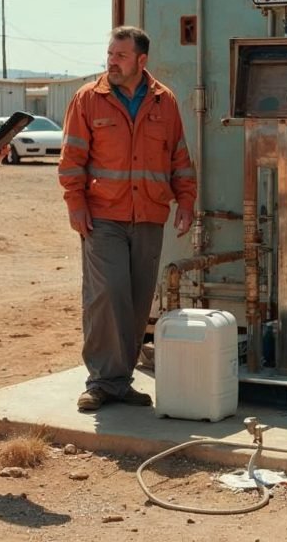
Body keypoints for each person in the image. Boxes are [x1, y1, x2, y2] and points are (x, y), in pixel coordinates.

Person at [59, 26, 196, 412]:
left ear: (141, 60)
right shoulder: (88, 99)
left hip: (149, 214)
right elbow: (71, 160)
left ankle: (121, 381)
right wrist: (76, 203)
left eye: (120, 55)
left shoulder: (164, 102)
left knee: (137, 301)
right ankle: (101, 381)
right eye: (109, 55)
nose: (112, 62)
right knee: (107, 295)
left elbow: (180, 159)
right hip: (103, 216)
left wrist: (186, 201)